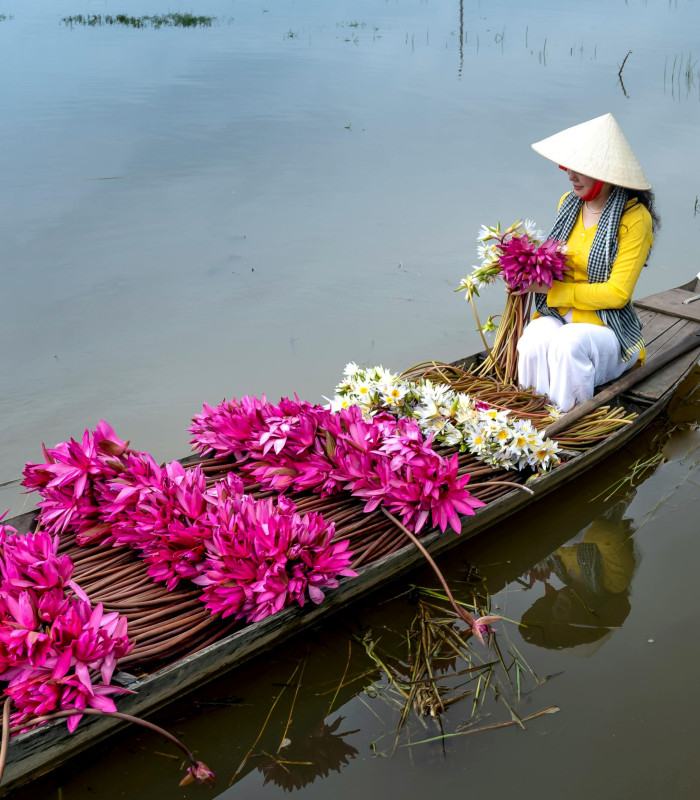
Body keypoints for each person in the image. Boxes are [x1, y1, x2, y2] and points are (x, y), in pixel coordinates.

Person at [514, 113, 659, 411]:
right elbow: (553, 265)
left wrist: (551, 292)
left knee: (568, 343)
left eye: (581, 169)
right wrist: (525, 277)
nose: (570, 175)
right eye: (570, 167)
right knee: (532, 339)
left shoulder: (634, 219)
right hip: (561, 316)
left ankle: (568, 421)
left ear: (605, 173)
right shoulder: (568, 204)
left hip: (609, 330)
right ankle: (528, 416)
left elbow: (617, 294)